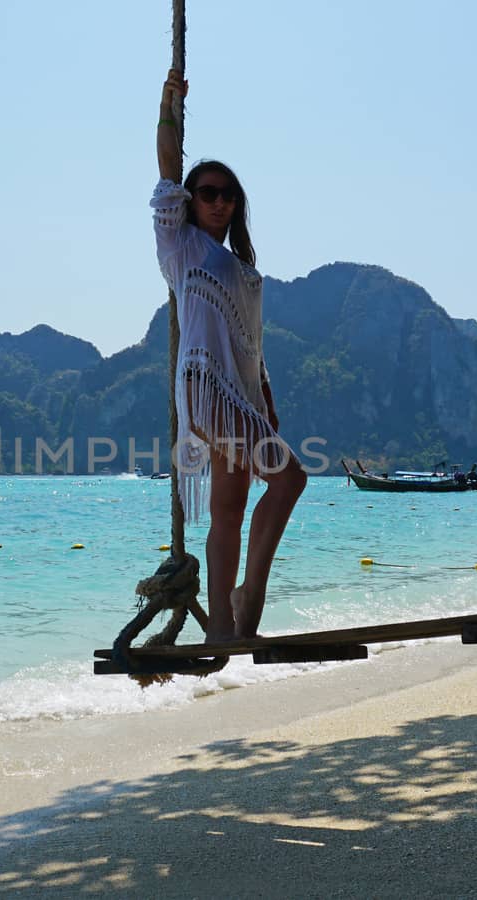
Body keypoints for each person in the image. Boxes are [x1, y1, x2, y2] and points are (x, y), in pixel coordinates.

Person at [152, 68, 307, 642]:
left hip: (239, 393)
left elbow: (253, 345)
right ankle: (248, 598)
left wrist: (266, 397)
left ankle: (221, 630)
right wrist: (167, 100)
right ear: (190, 203)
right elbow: (167, 162)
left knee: (230, 512)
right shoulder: (182, 247)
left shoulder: (240, 267)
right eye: (207, 193)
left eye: (227, 194)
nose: (218, 201)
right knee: (290, 480)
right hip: (207, 388)